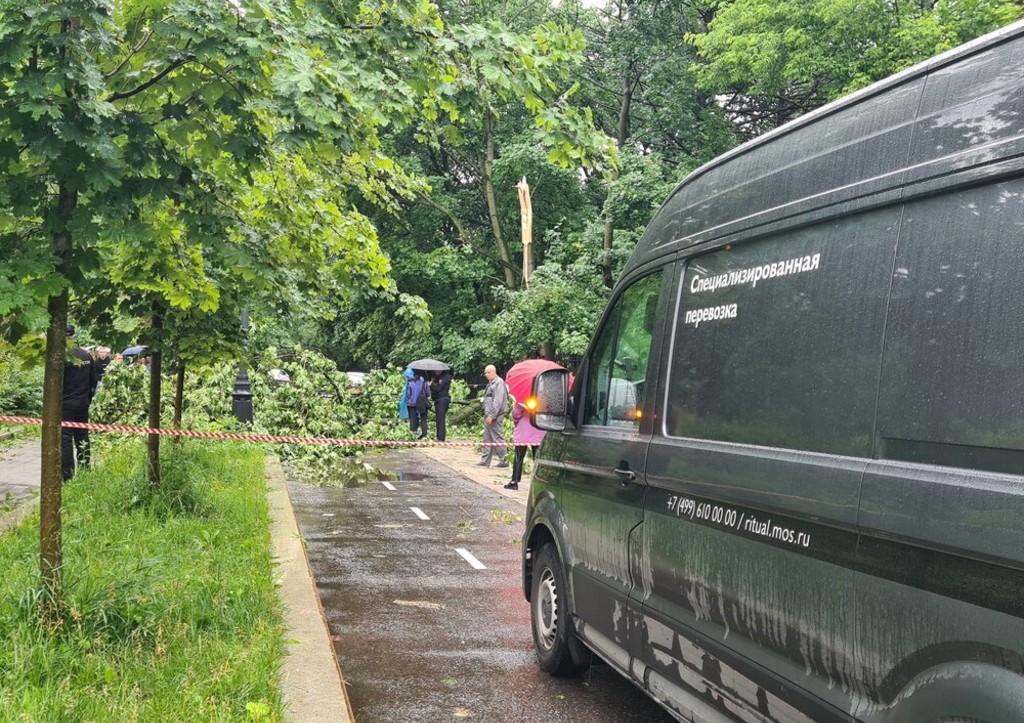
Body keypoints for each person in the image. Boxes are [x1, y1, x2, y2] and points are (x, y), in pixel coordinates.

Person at [62, 325, 100, 481]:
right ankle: (85, 470)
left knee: (65, 438)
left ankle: (67, 476)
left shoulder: (61, 356)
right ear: (74, 336)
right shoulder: (86, 355)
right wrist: (88, 399)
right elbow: (94, 380)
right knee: (82, 436)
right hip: (83, 403)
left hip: (65, 405)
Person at [504, 400, 545, 490]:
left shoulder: (525, 398)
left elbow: (516, 413)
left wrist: (516, 423)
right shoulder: (545, 398)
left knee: (519, 457)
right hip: (540, 430)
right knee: (538, 459)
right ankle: (540, 482)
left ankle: (514, 482)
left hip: (524, 430)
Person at [476, 364, 508, 467]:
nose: (486, 375)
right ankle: (485, 461)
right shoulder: (490, 383)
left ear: (493, 372)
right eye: (485, 373)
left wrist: (492, 415)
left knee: (497, 437)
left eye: (487, 373)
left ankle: (504, 460)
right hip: (488, 414)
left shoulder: (499, 383)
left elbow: (497, 401)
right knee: (487, 438)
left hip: (495, 415)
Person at [405, 371, 429, 440]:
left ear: (414, 375)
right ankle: (424, 435)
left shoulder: (410, 384)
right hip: (422, 403)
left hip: (412, 403)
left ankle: (412, 435)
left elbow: (408, 394)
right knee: (423, 419)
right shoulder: (424, 384)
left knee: (413, 419)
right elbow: (428, 394)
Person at [429, 369, 451, 441]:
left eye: (437, 371)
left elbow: (438, 389)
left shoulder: (445, 377)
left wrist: (431, 384)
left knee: (441, 418)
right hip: (437, 399)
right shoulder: (437, 377)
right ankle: (439, 436)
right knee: (438, 418)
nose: (436, 372)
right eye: (435, 371)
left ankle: (441, 438)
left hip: (442, 399)